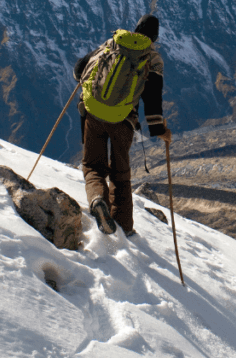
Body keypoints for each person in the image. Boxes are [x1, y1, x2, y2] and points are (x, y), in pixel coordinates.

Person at [73, 14, 170, 236]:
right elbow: (152, 100)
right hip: (122, 120)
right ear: (154, 38)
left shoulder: (113, 42)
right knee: (120, 175)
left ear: (136, 29)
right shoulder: (153, 59)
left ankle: (98, 199)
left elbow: (80, 69)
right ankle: (124, 228)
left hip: (93, 113)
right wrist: (160, 131)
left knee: (93, 166)